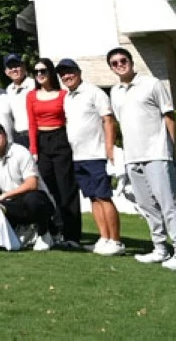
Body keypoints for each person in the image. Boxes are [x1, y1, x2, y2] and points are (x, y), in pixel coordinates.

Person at [108, 47, 176, 271]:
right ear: (111, 68)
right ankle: (160, 248)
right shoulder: (115, 92)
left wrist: (171, 150)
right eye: (114, 63)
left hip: (157, 153)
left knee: (167, 205)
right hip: (132, 157)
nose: (120, 65)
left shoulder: (152, 84)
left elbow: (169, 117)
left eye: (122, 60)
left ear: (131, 62)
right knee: (146, 206)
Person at [59, 60, 124, 256]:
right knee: (93, 198)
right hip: (78, 156)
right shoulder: (68, 97)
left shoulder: (94, 92)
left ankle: (116, 241)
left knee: (104, 197)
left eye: (69, 72)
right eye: (62, 74)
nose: (66, 76)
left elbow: (108, 119)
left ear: (78, 72)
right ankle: (104, 238)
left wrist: (109, 148)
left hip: (96, 155)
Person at [0, 120, 58, 252]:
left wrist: (3, 196)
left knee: (32, 199)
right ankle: (22, 231)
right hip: (13, 204)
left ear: (5, 135)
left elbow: (32, 184)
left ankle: (45, 233)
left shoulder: (21, 152)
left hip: (38, 202)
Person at [27, 58, 81, 249]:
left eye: (43, 71)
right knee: (47, 189)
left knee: (66, 188)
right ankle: (52, 231)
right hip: (42, 142)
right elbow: (32, 124)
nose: (40, 75)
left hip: (60, 139)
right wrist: (33, 149)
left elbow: (69, 120)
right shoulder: (32, 96)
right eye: (36, 72)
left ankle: (72, 234)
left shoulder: (63, 94)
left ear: (50, 72)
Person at [2, 54, 35, 147]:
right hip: (18, 137)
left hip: (35, 134)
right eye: (10, 67)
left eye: (17, 66)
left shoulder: (34, 85)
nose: (14, 70)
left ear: (23, 67)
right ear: (6, 71)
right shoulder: (8, 90)